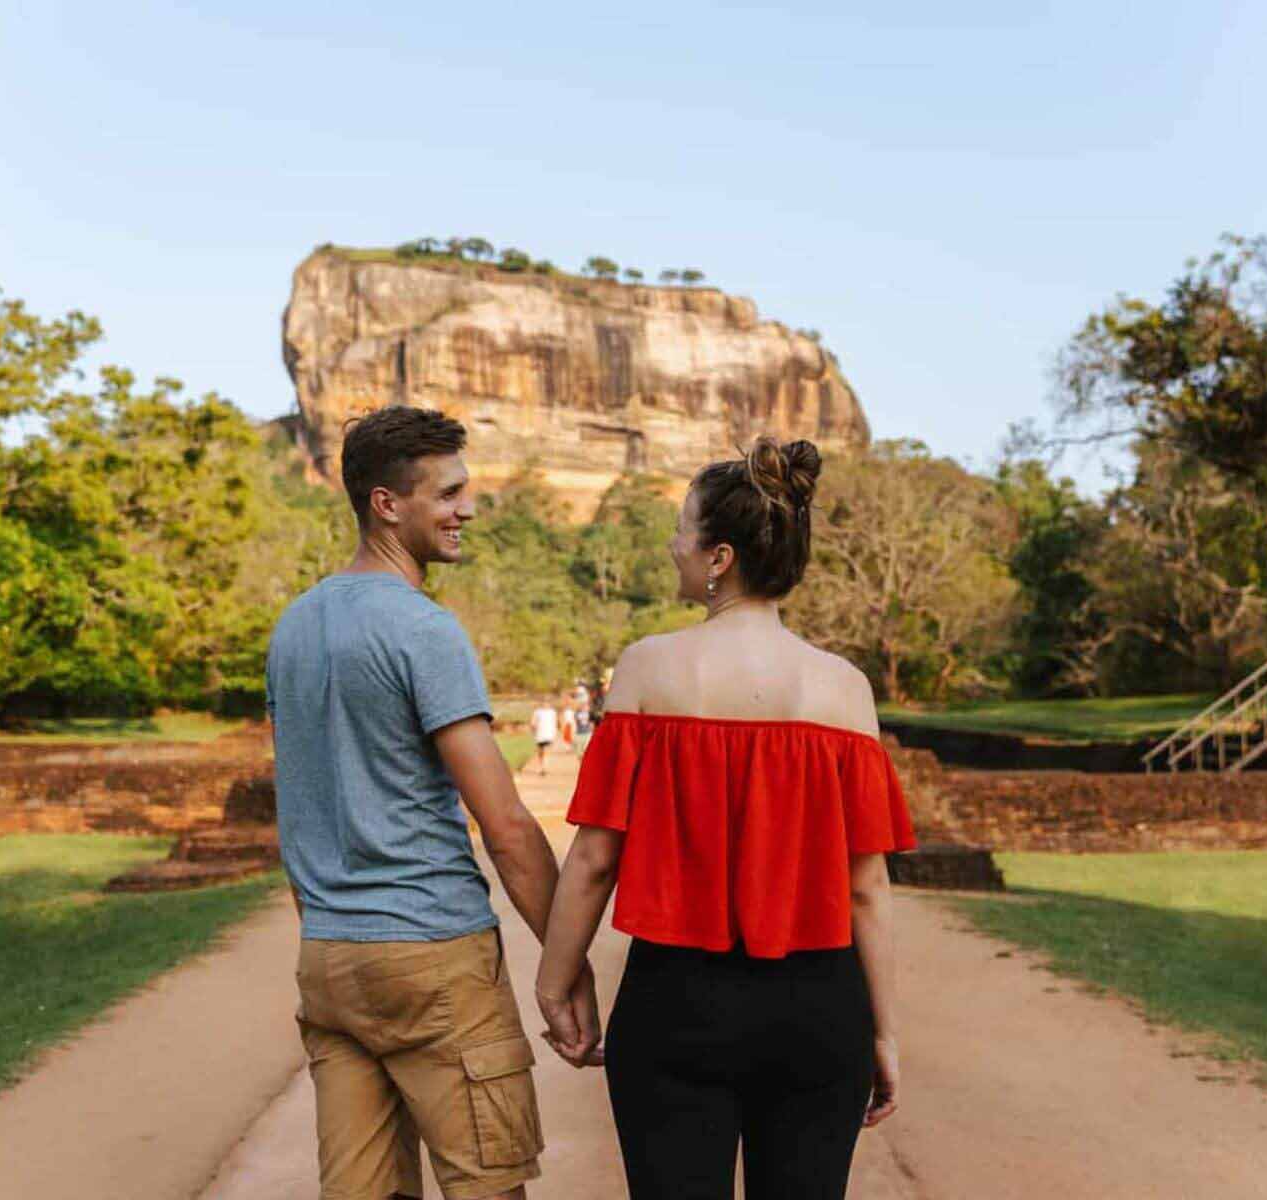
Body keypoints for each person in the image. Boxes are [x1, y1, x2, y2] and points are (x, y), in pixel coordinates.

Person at [533, 437, 916, 1200]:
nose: (674, 543)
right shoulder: (846, 690)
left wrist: (556, 977)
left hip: (678, 1004)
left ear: (719, 558)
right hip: (818, 1005)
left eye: (684, 528)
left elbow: (595, 860)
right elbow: (866, 887)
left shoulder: (647, 668)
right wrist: (883, 1030)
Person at [265, 406, 600, 1200]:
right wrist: (564, 964)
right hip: (432, 957)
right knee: (487, 1185)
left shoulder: (293, 627)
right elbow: (508, 827)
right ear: (388, 504)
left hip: (331, 960)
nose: (467, 510)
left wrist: (326, 924)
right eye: (448, 494)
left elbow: (301, 802)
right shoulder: (422, 629)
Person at [529, 700, 558, 774]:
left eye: (547, 703)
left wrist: (555, 733)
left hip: (549, 734)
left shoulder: (552, 712)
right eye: (544, 703)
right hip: (540, 734)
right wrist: (533, 730)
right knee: (540, 751)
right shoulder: (537, 712)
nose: (546, 704)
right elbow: (533, 723)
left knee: (546, 750)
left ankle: (544, 767)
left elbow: (555, 722)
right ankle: (541, 766)